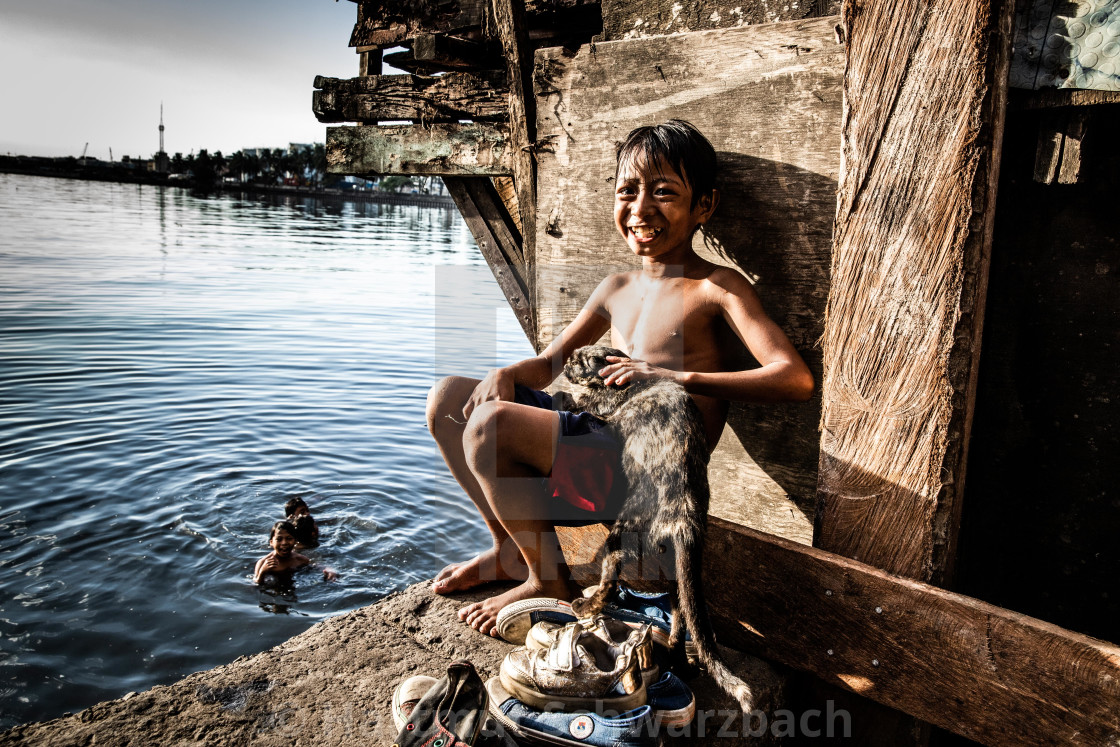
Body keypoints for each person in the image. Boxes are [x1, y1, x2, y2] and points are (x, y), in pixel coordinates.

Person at [425, 119, 813, 636]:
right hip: (597, 436)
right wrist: (505, 371)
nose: (641, 208)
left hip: (641, 473)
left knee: (488, 427)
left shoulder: (717, 288)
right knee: (450, 399)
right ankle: (509, 552)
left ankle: (549, 580)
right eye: (627, 190)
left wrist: (669, 374)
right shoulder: (617, 286)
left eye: (664, 192)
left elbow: (794, 379)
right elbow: (549, 363)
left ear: (704, 206)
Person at [253, 520, 336, 587]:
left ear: (295, 541)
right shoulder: (263, 563)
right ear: (271, 542)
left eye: (289, 538)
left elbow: (317, 566)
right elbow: (256, 583)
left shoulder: (299, 559)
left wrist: (330, 571)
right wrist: (262, 572)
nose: (284, 543)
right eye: (279, 539)